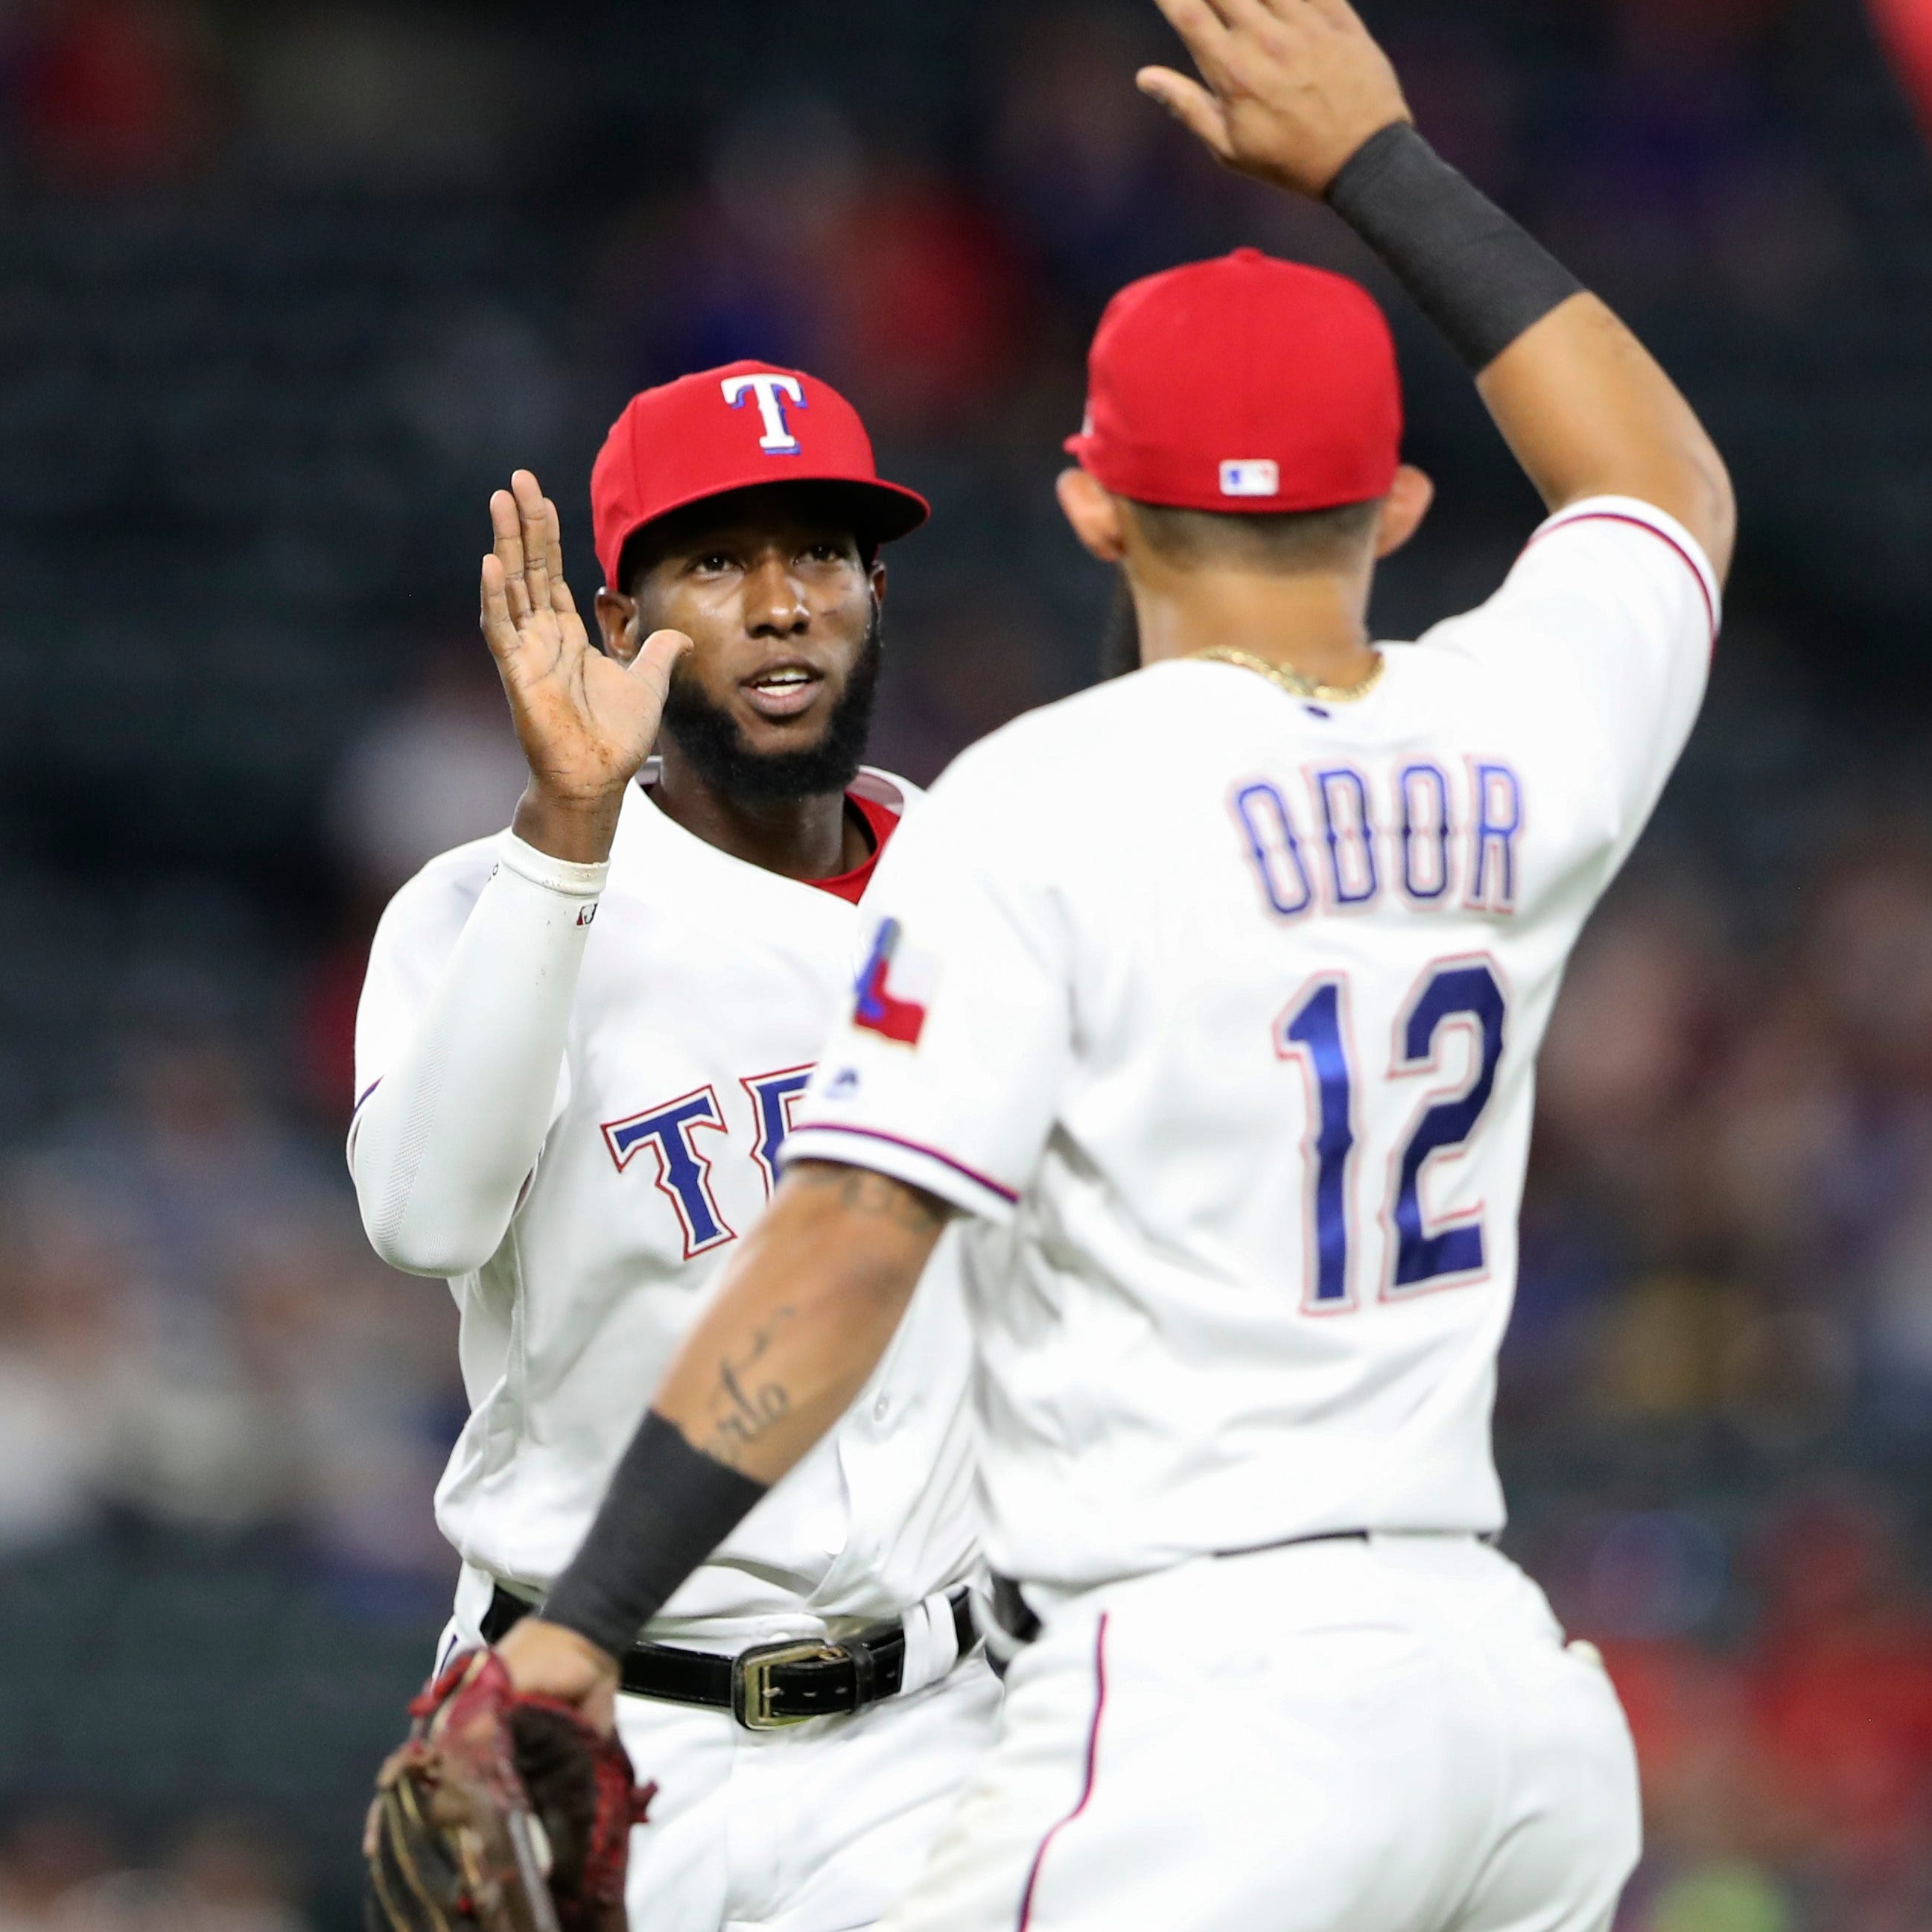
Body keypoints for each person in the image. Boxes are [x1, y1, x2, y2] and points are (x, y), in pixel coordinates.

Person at [495, 2, 1737, 1929]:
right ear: (1400, 506)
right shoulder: (1524, 723)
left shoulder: (1033, 805)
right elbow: (1660, 485)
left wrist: (581, 1626)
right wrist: (1375, 161)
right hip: (1502, 1699)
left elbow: (840, 1253)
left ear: (1088, 500)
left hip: (1204, 1712)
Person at [348, 362, 996, 1932]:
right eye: (716, 561)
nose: (780, 604)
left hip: (942, 1737)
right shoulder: (475, 905)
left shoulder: (997, 890)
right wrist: (565, 831)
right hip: (600, 1732)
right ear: (620, 618)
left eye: (819, 553)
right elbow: (425, 1218)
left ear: (874, 590)